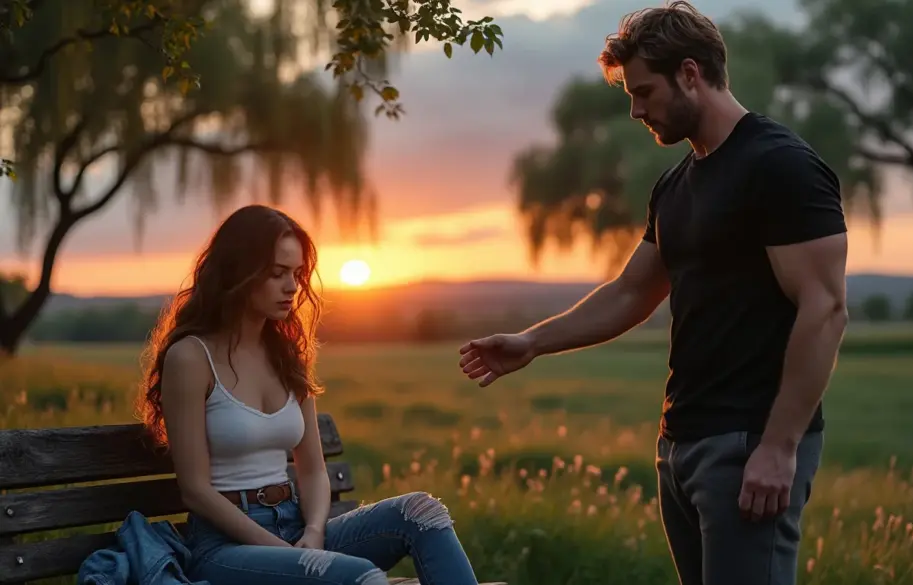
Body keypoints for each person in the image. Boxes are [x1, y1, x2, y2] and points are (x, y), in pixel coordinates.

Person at [457, 2, 849, 584]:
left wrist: (779, 447)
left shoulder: (780, 166)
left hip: (748, 446)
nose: (637, 110)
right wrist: (532, 342)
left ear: (690, 73)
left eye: (644, 92)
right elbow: (629, 293)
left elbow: (825, 309)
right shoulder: (676, 184)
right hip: (680, 445)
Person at [137, 204, 480, 585]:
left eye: (297, 274)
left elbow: (313, 469)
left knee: (422, 513)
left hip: (298, 526)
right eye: (277, 274)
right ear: (238, 272)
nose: (292, 287)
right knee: (358, 578)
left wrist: (315, 531)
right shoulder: (191, 357)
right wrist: (280, 551)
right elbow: (197, 491)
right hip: (225, 548)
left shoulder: (287, 356)